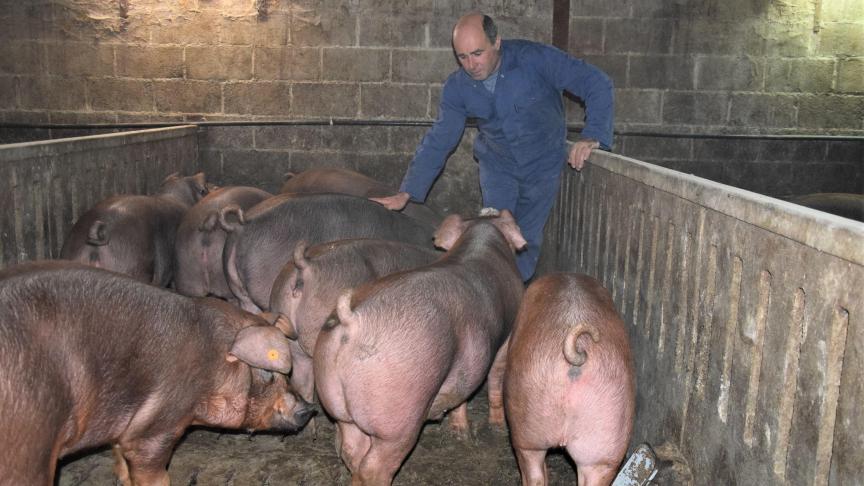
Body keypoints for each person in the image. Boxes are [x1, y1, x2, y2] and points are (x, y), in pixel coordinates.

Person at [371, 12, 614, 281]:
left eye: (477, 53)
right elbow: (441, 138)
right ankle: (494, 292)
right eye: (462, 57)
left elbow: (596, 83)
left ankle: (512, 296)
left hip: (541, 166)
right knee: (494, 235)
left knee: (525, 242)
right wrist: (409, 190)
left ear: (497, 41)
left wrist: (593, 136)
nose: (471, 64)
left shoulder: (535, 59)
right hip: (497, 168)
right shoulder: (457, 87)